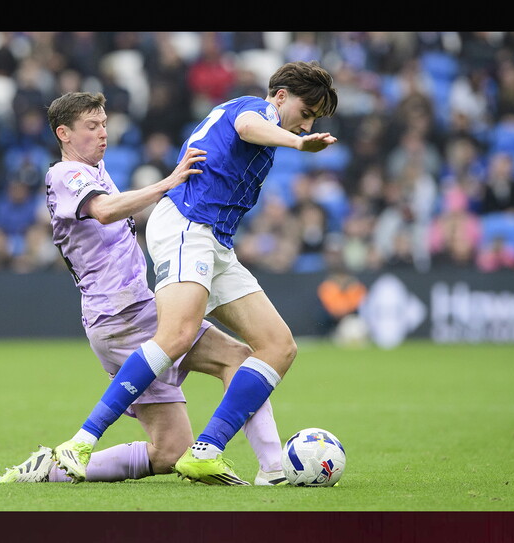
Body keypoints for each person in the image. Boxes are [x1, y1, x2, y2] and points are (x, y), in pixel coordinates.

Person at [52, 61, 338, 485]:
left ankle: (246, 461)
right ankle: (82, 440)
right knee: (177, 335)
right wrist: (298, 144)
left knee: (277, 346)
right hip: (187, 223)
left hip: (215, 239)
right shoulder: (253, 110)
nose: (306, 123)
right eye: (306, 111)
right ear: (279, 97)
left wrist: (293, 139)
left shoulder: (269, 124)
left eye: (313, 119)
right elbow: (246, 127)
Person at [0, 91, 287, 486]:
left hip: (136, 307)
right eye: (91, 127)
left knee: (170, 449)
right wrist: (168, 183)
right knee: (235, 357)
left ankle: (50, 471)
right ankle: (273, 469)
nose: (103, 134)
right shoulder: (64, 174)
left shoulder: (96, 171)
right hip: (116, 317)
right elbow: (104, 210)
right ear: (63, 133)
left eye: (104, 125)